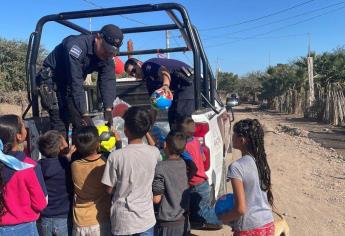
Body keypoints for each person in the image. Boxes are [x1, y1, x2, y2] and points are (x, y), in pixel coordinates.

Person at [37, 24, 124, 134]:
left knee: (79, 124)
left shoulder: (107, 56)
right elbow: (75, 82)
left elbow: (108, 80)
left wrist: (108, 108)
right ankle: (62, 148)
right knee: (61, 122)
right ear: (98, 37)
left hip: (70, 84)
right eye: (106, 49)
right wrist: (84, 114)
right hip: (53, 80)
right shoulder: (76, 47)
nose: (108, 54)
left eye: (112, 52)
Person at [102, 107, 161, 236]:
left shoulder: (115, 156)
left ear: (125, 130)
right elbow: (153, 148)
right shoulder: (154, 153)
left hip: (123, 221)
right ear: (146, 130)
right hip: (145, 219)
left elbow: (108, 189)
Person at [219, 119, 274, 235]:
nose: (232, 136)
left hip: (249, 228)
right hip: (268, 224)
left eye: (234, 134)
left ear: (241, 140)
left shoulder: (236, 167)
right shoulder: (260, 162)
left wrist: (224, 218)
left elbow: (241, 209)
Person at [0, 115, 47, 236]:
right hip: (24, 228)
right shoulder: (27, 167)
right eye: (23, 125)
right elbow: (40, 203)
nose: (26, 127)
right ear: (19, 136)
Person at [176, 117, 222, 229]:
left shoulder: (184, 147)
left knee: (204, 211)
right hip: (203, 181)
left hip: (195, 183)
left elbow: (193, 167)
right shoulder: (196, 141)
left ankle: (220, 222)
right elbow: (204, 158)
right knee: (204, 207)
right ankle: (205, 221)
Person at [124, 58, 195, 129]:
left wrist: (165, 85)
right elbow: (154, 105)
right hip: (180, 87)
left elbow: (164, 72)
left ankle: (187, 138)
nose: (134, 74)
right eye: (131, 74)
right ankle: (176, 138)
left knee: (181, 117)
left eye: (134, 70)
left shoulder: (147, 66)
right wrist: (149, 126)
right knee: (172, 117)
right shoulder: (149, 81)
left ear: (139, 63)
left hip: (188, 80)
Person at [71, 126, 111, 236]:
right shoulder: (105, 163)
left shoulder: (74, 165)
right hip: (100, 219)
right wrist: (118, 143)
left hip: (80, 221)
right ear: (98, 143)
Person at [37, 130, 76, 236]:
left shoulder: (38, 166)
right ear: (60, 147)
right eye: (64, 142)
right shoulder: (66, 164)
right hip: (63, 217)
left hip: (44, 217)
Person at [152, 131, 190, 236]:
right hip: (183, 221)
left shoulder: (161, 167)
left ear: (165, 146)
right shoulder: (183, 163)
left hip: (166, 224)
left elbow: (156, 199)